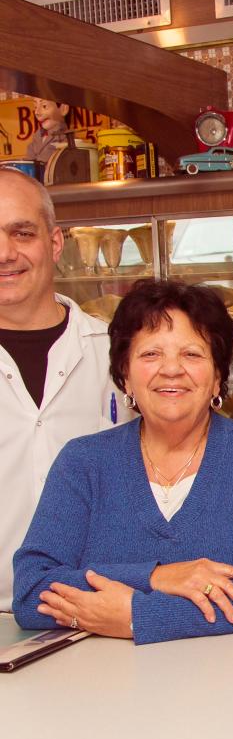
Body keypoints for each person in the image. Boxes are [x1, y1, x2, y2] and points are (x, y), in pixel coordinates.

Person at [13, 280, 233, 644]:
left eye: (192, 354)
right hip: (98, 689)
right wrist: (158, 577)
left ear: (218, 376)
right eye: (150, 354)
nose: (171, 370)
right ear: (125, 375)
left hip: (230, 688)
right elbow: (31, 592)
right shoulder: (82, 462)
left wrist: (137, 616)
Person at [0, 167, 128, 614]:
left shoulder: (118, 354)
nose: (4, 253)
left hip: (101, 610)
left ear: (54, 243)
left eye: (22, 233)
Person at [26, 99, 70, 164]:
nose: (37, 112)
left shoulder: (65, 137)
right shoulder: (37, 136)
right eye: (35, 107)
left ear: (63, 109)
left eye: (44, 106)